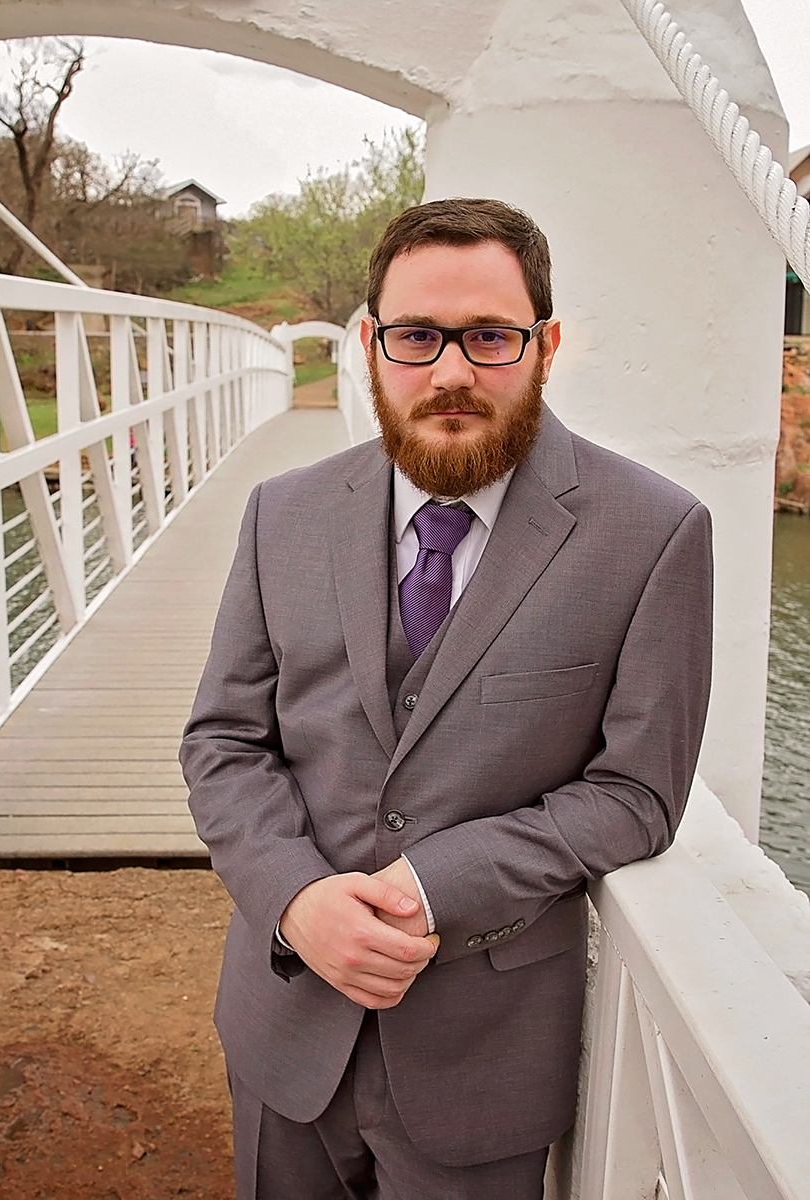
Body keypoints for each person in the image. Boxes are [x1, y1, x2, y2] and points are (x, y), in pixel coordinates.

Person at [180, 197, 713, 1200]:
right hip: (282, 1023)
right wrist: (294, 898)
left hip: (485, 1059)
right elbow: (223, 742)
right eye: (417, 336)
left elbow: (637, 793)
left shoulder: (654, 534)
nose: (452, 372)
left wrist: (433, 884)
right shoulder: (280, 514)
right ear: (371, 346)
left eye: (489, 337)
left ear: (544, 346)